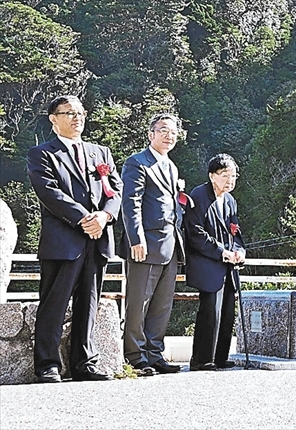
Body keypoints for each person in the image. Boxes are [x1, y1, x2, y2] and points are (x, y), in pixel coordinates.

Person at [27, 95, 122, 382]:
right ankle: (48, 364)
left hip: (97, 239)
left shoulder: (100, 153)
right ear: (53, 118)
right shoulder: (42, 154)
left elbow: (115, 191)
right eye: (69, 113)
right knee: (54, 305)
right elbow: (49, 193)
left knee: (89, 303)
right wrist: (85, 218)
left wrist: (104, 217)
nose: (77, 118)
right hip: (62, 241)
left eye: (80, 112)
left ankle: (85, 363)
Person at [120, 113, 186, 376]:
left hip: (170, 244)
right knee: (139, 302)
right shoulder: (137, 162)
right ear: (151, 134)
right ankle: (135, 356)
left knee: (162, 304)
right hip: (146, 244)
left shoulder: (171, 166)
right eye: (163, 131)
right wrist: (136, 239)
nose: (168, 136)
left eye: (172, 132)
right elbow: (130, 203)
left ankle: (155, 353)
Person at [184, 154, 245, 371]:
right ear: (212, 176)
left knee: (228, 311)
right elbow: (195, 232)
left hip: (227, 266)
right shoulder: (199, 195)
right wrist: (222, 251)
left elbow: (235, 232)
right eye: (224, 175)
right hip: (206, 261)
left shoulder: (230, 200)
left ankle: (220, 357)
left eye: (233, 176)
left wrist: (239, 251)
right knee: (210, 310)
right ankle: (202, 359)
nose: (230, 180)